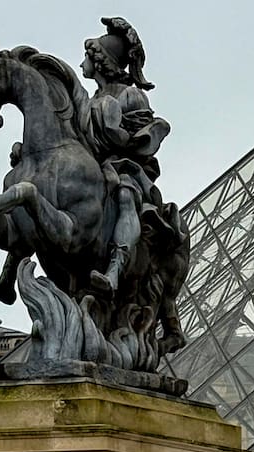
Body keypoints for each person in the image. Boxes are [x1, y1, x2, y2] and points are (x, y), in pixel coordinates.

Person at [79, 17, 180, 293]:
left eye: (86, 57)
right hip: (91, 167)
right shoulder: (87, 100)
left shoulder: (131, 96)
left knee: (126, 196)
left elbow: (142, 139)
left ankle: (115, 268)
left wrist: (114, 137)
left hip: (126, 168)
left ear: (100, 61)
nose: (82, 63)